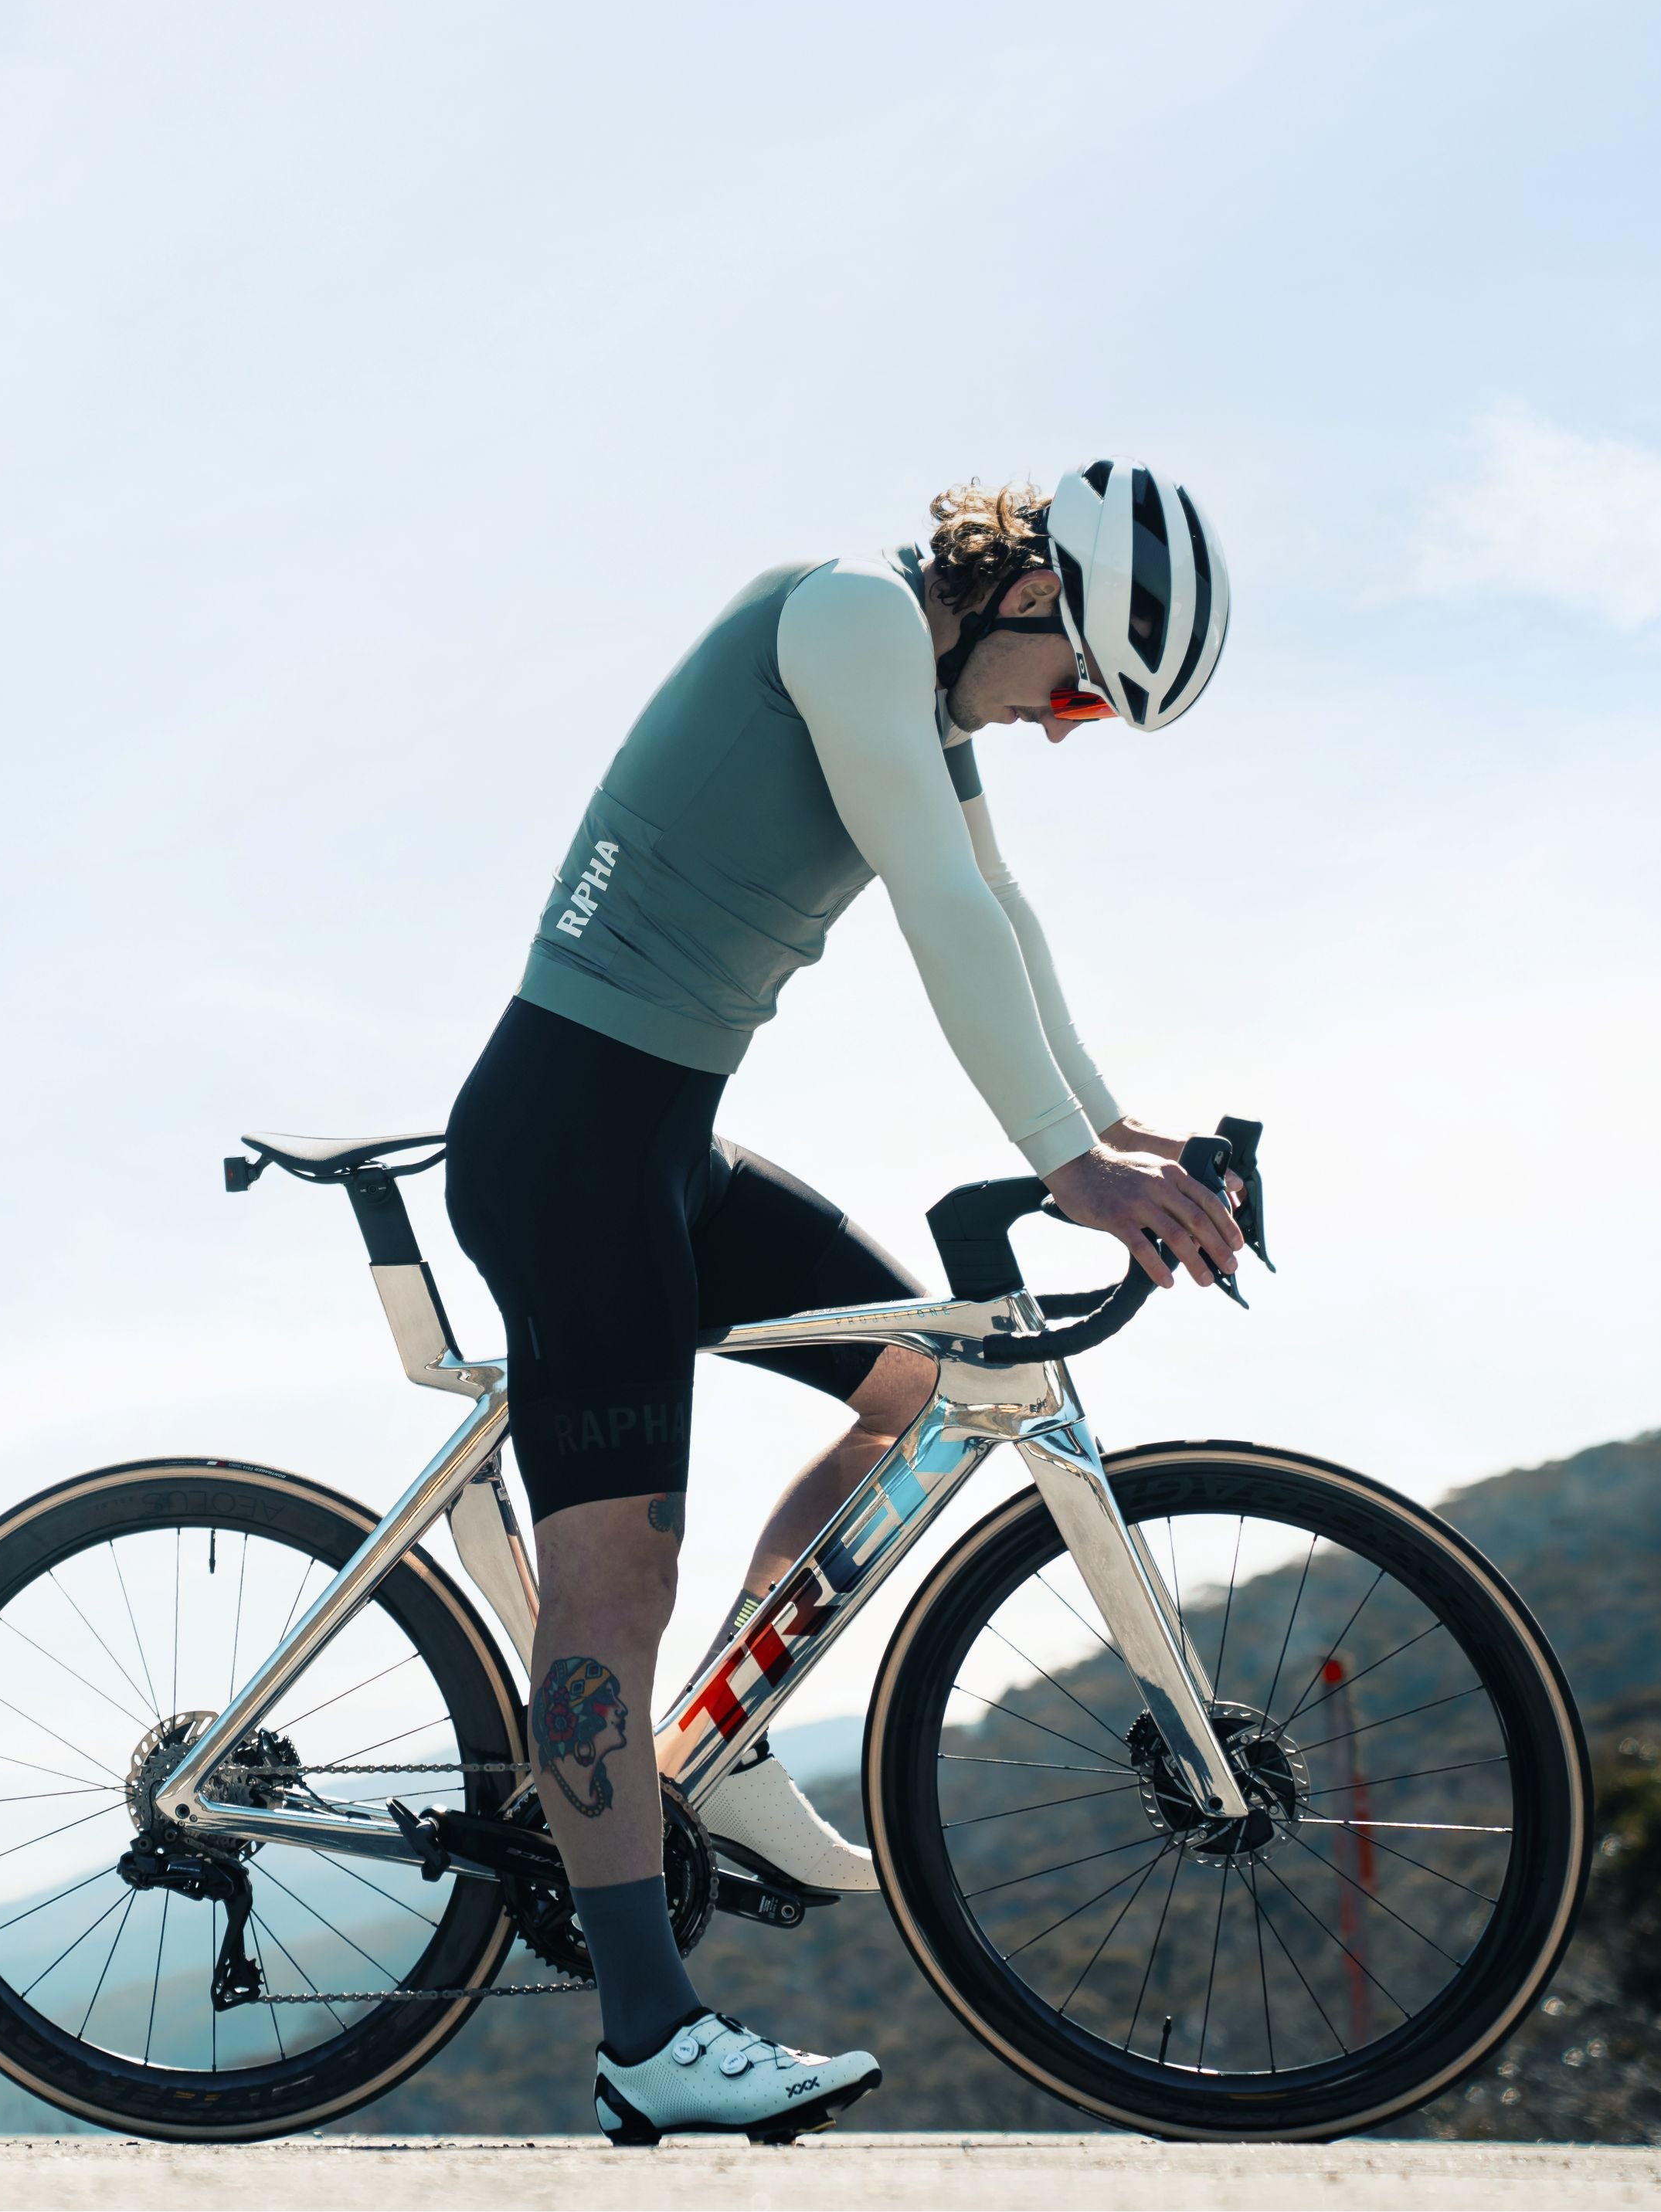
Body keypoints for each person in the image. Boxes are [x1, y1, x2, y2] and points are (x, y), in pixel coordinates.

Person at [443, 461, 1248, 2146]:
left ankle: (716, 1750)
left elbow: (1003, 911)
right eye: (1085, 683)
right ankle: (650, 2033)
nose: (1064, 725)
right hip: (568, 1139)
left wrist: (1104, 1127)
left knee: (917, 1392)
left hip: (665, 1141)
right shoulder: (851, 617)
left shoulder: (928, 688)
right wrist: (1058, 1164)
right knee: (616, 1580)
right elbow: (935, 903)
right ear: (1028, 595)